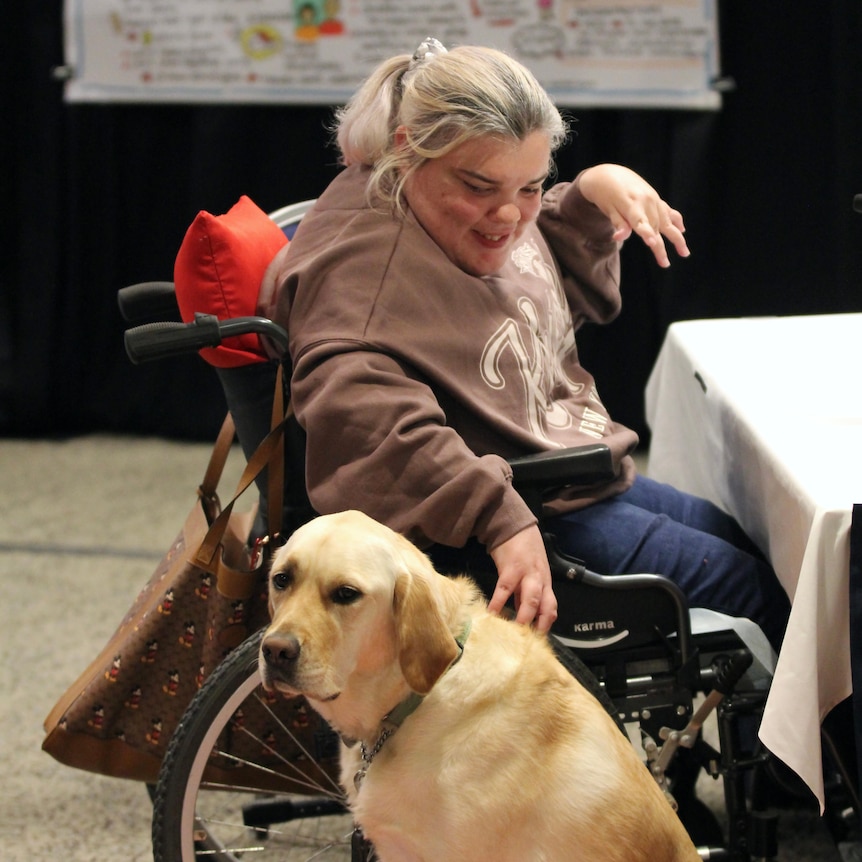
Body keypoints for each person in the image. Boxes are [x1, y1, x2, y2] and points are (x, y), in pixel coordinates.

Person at [259, 38, 789, 647]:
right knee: (762, 596)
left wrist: (591, 192)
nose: (509, 216)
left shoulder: (437, 206)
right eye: (479, 186)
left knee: (762, 546)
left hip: (563, 473)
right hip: (512, 507)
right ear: (406, 148)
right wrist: (498, 516)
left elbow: (529, 286)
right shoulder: (365, 275)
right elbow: (370, 423)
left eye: (531, 188)